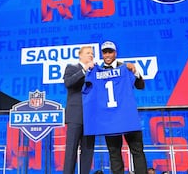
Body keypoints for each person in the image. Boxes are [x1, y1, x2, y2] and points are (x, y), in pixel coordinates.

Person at [100, 41, 147, 174]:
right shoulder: (97, 70)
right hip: (110, 119)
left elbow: (140, 86)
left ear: (115, 53)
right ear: (102, 54)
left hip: (127, 116)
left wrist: (135, 71)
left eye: (110, 52)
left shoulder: (126, 68)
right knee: (114, 153)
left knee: (137, 150)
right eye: (105, 52)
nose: (107, 55)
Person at [63, 46, 95, 174]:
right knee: (71, 151)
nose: (91, 55)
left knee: (88, 152)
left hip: (91, 117)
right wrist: (84, 70)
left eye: (92, 53)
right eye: (88, 53)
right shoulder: (72, 68)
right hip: (75, 116)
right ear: (80, 55)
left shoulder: (95, 71)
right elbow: (68, 83)